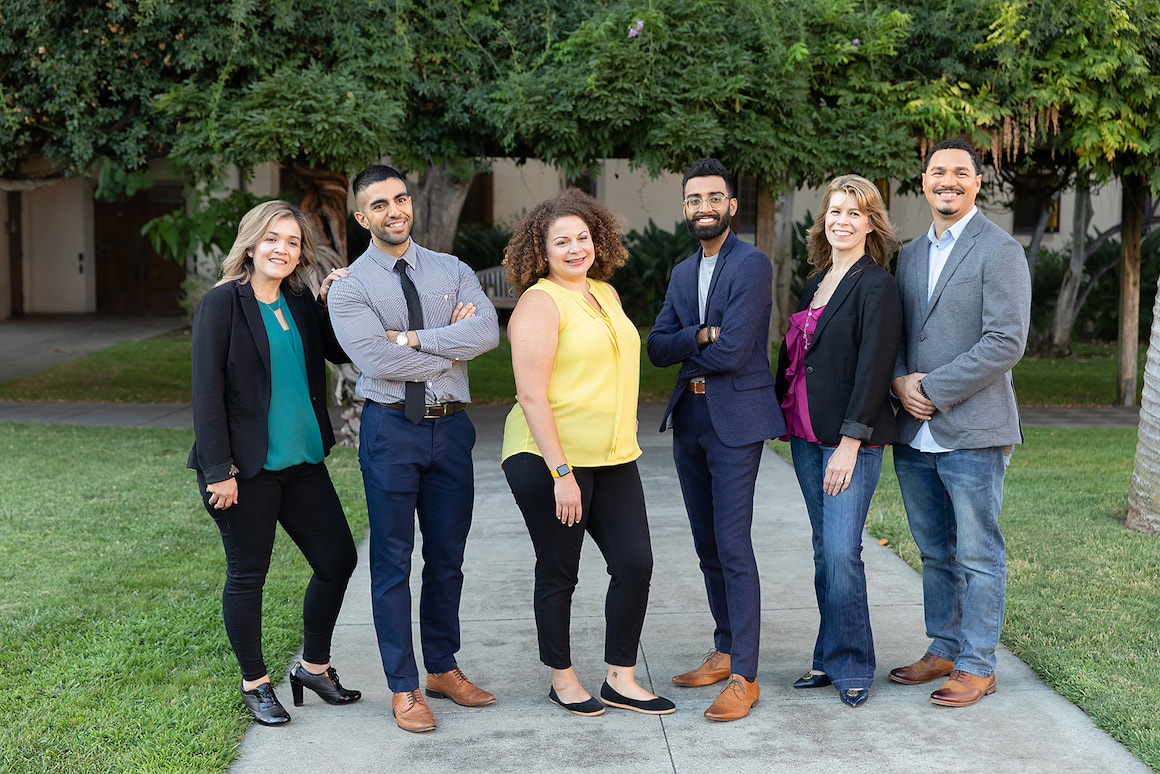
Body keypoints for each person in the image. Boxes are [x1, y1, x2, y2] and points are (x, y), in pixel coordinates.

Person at [326, 164, 500, 733]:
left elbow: (487, 334)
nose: (394, 211)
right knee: (392, 561)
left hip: (451, 430)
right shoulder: (350, 287)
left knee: (447, 556)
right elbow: (374, 360)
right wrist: (450, 350)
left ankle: (442, 668)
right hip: (391, 430)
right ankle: (404, 687)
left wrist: (409, 338)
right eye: (379, 205)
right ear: (362, 218)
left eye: (400, 199)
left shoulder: (452, 269)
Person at [501, 189, 676, 718]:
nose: (575, 249)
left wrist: (623, 419)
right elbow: (531, 395)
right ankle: (562, 678)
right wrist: (561, 473)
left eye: (582, 237)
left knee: (635, 562)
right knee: (561, 568)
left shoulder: (606, 292)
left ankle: (621, 678)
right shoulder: (539, 303)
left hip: (613, 455)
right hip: (548, 457)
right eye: (562, 242)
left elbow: (616, 365)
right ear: (542, 249)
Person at [189, 200, 360, 727]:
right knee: (248, 576)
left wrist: (334, 299)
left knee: (337, 560)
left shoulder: (300, 299)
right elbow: (206, 393)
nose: (282, 249)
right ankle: (255, 683)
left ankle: (313, 668)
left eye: (292, 241)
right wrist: (218, 470)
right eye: (272, 239)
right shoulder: (222, 304)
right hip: (245, 470)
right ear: (251, 243)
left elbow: (337, 352)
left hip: (302, 461)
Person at [888, 138, 1031, 707]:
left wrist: (932, 389)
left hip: (974, 428)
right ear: (923, 181)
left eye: (960, 172)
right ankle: (945, 647)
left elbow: (1006, 341)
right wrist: (900, 382)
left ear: (977, 181)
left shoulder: (1000, 250)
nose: (948, 180)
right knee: (934, 551)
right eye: (937, 171)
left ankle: (977, 664)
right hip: (913, 430)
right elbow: (896, 332)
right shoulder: (908, 254)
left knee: (978, 555)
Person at [647, 157, 786, 721]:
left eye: (713, 198)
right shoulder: (683, 272)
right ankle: (725, 648)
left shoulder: (751, 265)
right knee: (707, 544)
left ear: (731, 204)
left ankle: (744, 676)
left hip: (736, 421)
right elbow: (656, 347)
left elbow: (732, 353)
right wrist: (700, 333)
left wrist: (693, 344)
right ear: (685, 208)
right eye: (693, 199)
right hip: (691, 418)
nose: (703, 207)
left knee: (732, 544)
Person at [774, 175, 902, 708]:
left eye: (855, 212)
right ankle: (828, 656)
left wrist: (851, 443)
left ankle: (853, 663)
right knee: (824, 552)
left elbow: (874, 368)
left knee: (843, 553)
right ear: (823, 219)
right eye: (835, 210)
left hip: (848, 441)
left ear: (871, 224)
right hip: (806, 435)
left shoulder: (877, 285)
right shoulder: (818, 281)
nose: (842, 220)